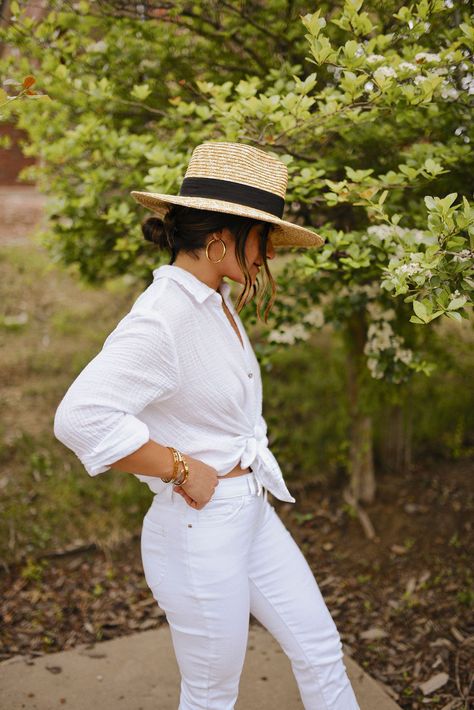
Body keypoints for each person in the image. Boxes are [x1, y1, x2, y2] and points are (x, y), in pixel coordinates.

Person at [53, 141, 360, 709]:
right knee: (212, 694)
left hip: (251, 511)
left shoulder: (213, 298)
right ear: (220, 236)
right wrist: (178, 466)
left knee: (320, 649)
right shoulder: (162, 317)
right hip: (200, 530)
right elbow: (81, 416)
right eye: (263, 237)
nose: (269, 252)